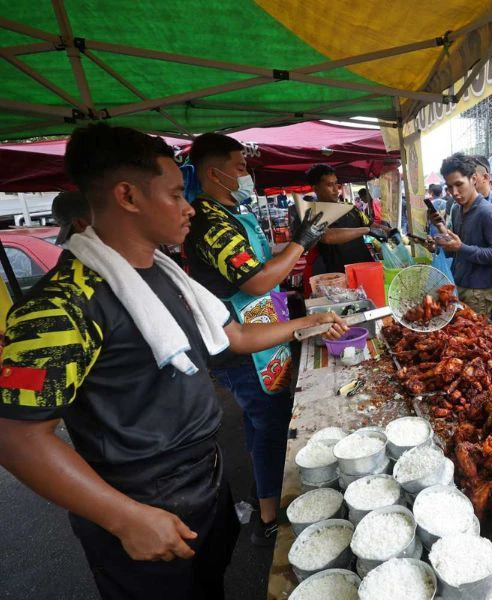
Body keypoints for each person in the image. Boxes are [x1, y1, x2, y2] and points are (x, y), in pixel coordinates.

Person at [0, 123, 347, 599]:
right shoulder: (61, 305)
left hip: (203, 481)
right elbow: (16, 435)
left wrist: (308, 323)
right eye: (174, 194)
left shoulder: (167, 275)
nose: (189, 207)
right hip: (140, 502)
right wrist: (123, 518)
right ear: (127, 196)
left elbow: (234, 336)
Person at [183, 133, 332, 545]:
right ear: (214, 173)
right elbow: (256, 280)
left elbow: (261, 263)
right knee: (270, 424)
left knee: (260, 420)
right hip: (244, 344)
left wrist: (293, 245)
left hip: (264, 329)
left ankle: (264, 491)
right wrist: (302, 242)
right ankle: (269, 517)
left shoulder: (233, 213)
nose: (247, 173)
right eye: (240, 167)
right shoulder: (210, 222)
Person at [432, 153, 492, 317]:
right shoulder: (457, 209)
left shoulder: (486, 212)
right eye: (449, 187)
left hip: (479, 292)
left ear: (473, 179)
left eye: (459, 184)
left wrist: (461, 247)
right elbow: (456, 249)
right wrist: (442, 235)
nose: (454, 192)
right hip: (459, 284)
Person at [308, 164, 390, 274]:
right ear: (316, 189)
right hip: (338, 274)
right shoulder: (313, 213)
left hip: (364, 267)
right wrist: (366, 230)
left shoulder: (350, 208)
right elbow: (327, 236)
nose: (336, 190)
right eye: (329, 185)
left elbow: (370, 224)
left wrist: (389, 231)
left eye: (336, 184)